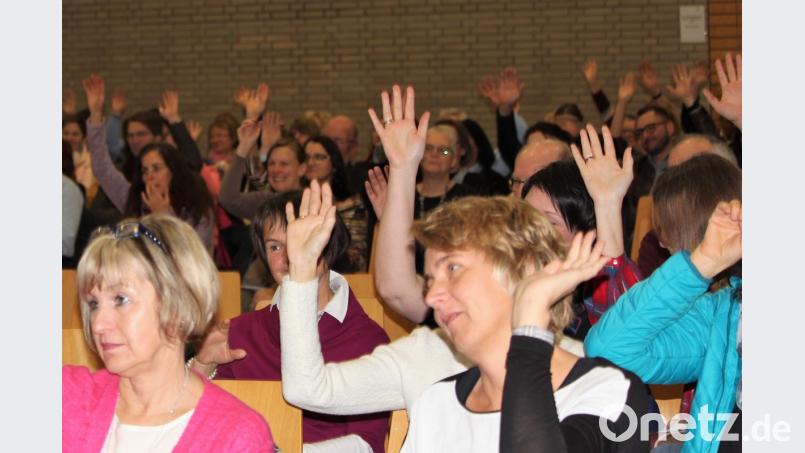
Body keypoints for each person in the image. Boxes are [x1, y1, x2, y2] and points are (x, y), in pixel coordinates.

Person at [404, 196, 650, 452]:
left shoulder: (605, 390)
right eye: (430, 280)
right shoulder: (436, 403)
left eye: (453, 268)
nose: (431, 297)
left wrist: (530, 328)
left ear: (523, 271)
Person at [191, 185, 390, 452]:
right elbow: (191, 421)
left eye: (301, 241)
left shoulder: (368, 339)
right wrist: (203, 364)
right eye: (275, 246)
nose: (288, 257)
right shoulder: (241, 332)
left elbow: (367, 444)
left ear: (327, 243)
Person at [64, 214, 274, 452]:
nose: (98, 324)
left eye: (120, 299)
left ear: (178, 305)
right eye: (94, 304)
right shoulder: (69, 397)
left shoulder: (236, 437)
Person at [585, 156, 742, 452]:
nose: (662, 244)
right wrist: (702, 263)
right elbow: (609, 351)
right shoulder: (723, 313)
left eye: (667, 230)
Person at [520, 125, 642, 337]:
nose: (530, 228)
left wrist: (607, 206)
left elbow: (625, 326)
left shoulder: (591, 291)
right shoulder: (509, 272)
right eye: (526, 216)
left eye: (549, 221)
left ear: (586, 233)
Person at [82, 75, 215, 249]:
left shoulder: (196, 209)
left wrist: (163, 216)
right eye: (145, 170)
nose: (149, 176)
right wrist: (96, 114)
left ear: (173, 171)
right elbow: (102, 168)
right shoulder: (135, 198)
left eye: (157, 168)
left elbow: (191, 256)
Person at [304, 135, 370, 272]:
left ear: (334, 163)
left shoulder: (352, 206)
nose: (311, 162)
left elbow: (356, 257)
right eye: (307, 157)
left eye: (319, 157)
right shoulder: (297, 200)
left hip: (343, 275)